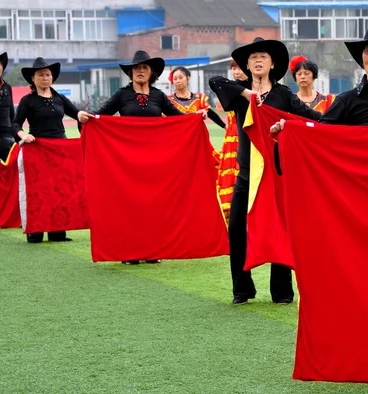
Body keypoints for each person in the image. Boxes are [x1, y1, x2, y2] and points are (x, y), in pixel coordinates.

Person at [210, 37, 322, 305]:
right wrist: (247, 94)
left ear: (272, 64)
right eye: (253, 58)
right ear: (247, 65)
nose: (258, 61)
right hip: (246, 176)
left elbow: (312, 119)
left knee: (280, 230)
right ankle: (242, 289)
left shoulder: (284, 95)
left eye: (263, 57)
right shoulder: (239, 94)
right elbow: (215, 81)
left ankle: (281, 291)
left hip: (278, 175)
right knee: (236, 229)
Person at [94, 50, 204, 265]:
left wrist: (195, 118)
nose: (140, 71)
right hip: (126, 160)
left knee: (154, 202)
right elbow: (101, 115)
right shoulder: (122, 95)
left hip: (154, 158)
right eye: (137, 68)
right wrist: (86, 118)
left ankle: (153, 249)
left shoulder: (158, 96)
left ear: (151, 72)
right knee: (130, 203)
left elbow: (178, 118)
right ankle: (130, 251)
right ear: (131, 73)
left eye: (144, 68)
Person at [12, 57, 93, 244]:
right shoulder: (27, 101)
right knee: (39, 191)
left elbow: (76, 114)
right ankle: (36, 231)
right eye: (40, 75)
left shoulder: (60, 98)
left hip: (60, 150)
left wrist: (82, 115)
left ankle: (58, 232)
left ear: (52, 77)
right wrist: (23, 135)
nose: (45, 78)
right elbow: (15, 123)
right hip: (37, 150)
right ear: (33, 78)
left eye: (48, 74)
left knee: (60, 190)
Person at [217, 60, 246, 223]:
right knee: (231, 177)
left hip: (245, 136)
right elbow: (215, 81)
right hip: (231, 138)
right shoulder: (229, 90)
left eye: (239, 68)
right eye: (233, 69)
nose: (236, 72)